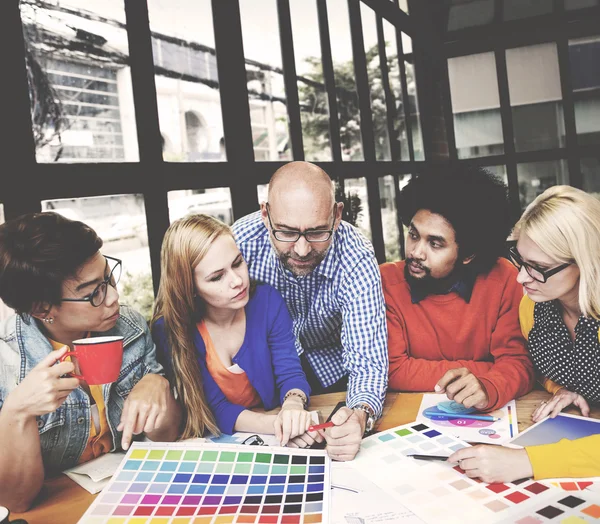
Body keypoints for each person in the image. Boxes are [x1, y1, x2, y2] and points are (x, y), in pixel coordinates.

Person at [0, 212, 180, 512]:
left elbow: (168, 435)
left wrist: (158, 385)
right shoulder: (7, 362)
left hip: (132, 493)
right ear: (42, 307)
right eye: (94, 292)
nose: (113, 297)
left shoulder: (129, 327)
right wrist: (17, 413)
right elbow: (15, 501)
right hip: (59, 508)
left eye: (109, 277)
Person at [232, 161, 388, 461]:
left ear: (337, 215)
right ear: (266, 216)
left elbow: (368, 362)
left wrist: (360, 414)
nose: (302, 250)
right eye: (288, 233)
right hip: (262, 383)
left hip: (333, 377)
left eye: (317, 232)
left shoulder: (356, 255)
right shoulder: (240, 243)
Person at [450, 185, 600, 482]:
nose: (520, 277)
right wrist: (562, 390)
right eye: (519, 260)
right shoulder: (532, 307)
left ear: (585, 262)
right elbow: (542, 367)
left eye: (539, 267)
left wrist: (527, 462)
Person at [151, 214, 318, 448]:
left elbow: (290, 373)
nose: (237, 281)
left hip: (267, 429)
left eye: (237, 263)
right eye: (217, 277)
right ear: (190, 287)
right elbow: (215, 408)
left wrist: (293, 406)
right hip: (219, 443)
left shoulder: (267, 302)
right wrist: (279, 426)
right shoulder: (172, 330)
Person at [381, 166, 534, 411]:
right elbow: (393, 370)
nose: (415, 252)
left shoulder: (504, 279)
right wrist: (488, 369)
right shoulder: (386, 281)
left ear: (469, 254)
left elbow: (519, 362)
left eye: (435, 243)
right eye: (413, 234)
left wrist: (488, 386)